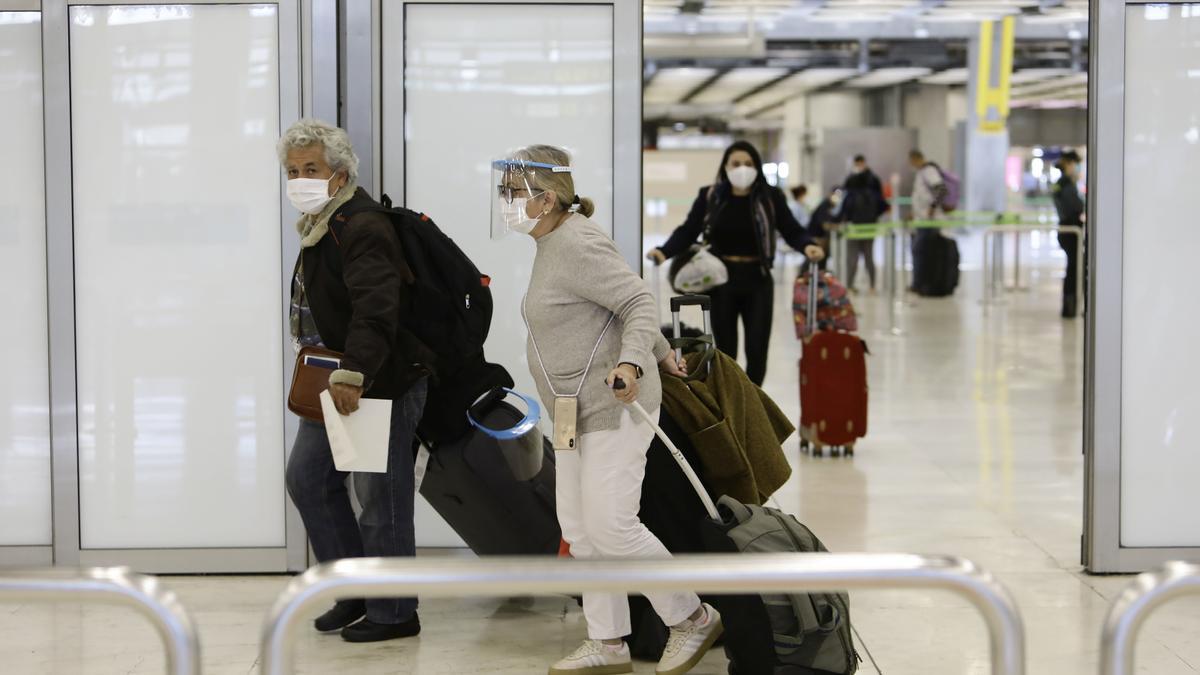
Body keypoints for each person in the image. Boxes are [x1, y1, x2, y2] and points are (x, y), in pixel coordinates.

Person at [498, 145, 723, 675]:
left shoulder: (576, 241)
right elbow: (611, 302)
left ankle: (691, 616)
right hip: (573, 411)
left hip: (615, 405)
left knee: (613, 526)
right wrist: (664, 353)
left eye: (513, 193)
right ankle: (609, 643)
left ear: (546, 199)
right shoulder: (551, 242)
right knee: (579, 529)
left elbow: (637, 301)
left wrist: (635, 364)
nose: (506, 203)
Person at [279, 119, 435, 643]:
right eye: (293, 170)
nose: (300, 179)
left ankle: (394, 612)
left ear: (339, 174)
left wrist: (354, 373)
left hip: (375, 379)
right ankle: (353, 590)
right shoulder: (324, 223)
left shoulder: (360, 224)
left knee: (381, 495)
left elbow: (376, 308)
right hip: (338, 378)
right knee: (309, 478)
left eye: (311, 169)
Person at [648, 141, 825, 386]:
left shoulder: (770, 197)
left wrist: (807, 245)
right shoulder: (711, 196)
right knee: (726, 352)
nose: (742, 168)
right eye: (736, 163)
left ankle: (752, 404)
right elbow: (689, 230)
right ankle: (732, 401)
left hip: (758, 280)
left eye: (749, 164)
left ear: (757, 167)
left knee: (757, 350)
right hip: (721, 282)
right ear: (726, 167)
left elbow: (792, 229)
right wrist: (663, 251)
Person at [840, 155, 887, 293]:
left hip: (854, 226)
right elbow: (882, 204)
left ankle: (850, 285)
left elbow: (845, 204)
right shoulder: (873, 180)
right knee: (868, 257)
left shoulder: (851, 181)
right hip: (869, 225)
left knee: (853, 258)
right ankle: (871, 286)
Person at [1052, 150, 1086, 318]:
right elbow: (1077, 207)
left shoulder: (1061, 184)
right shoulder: (1066, 185)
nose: (1078, 168)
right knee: (1074, 269)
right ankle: (1070, 308)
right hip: (1070, 230)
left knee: (1072, 268)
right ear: (1069, 165)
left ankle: (1069, 308)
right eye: (1076, 164)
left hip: (1066, 230)